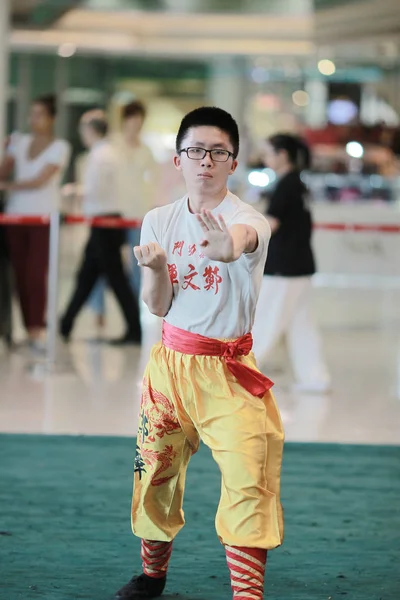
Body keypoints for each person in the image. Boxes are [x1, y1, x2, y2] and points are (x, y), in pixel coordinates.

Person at [113, 107, 284, 600]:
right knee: (155, 471)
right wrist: (155, 268)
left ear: (233, 162)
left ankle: (247, 594)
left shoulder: (246, 219)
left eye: (217, 152)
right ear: (178, 159)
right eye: (195, 151)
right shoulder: (158, 221)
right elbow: (159, 305)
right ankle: (151, 576)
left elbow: (244, 240)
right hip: (169, 369)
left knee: (249, 475)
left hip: (229, 372)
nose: (205, 162)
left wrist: (229, 247)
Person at [252, 133, 331, 393]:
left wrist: (245, 222)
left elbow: (271, 224)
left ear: (282, 154)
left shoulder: (287, 184)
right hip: (299, 265)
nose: (264, 158)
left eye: (268, 153)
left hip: (284, 267)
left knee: (265, 321)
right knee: (300, 325)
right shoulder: (296, 183)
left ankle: (243, 375)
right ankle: (314, 378)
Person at [59, 110, 141, 346]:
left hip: (105, 223)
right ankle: (65, 324)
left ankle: (134, 330)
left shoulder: (102, 155)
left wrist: (73, 191)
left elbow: (96, 190)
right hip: (103, 223)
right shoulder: (107, 153)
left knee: (115, 279)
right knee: (88, 276)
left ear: (91, 130)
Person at [0, 94, 71, 352]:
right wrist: (6, 149)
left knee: (34, 275)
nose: (34, 119)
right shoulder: (19, 142)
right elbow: (3, 171)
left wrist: (7, 185)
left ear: (51, 118)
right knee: (18, 274)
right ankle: (26, 330)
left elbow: (40, 180)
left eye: (40, 114)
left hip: (43, 217)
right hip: (14, 216)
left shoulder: (60, 146)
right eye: (32, 114)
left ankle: (37, 331)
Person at [87, 100, 158, 329]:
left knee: (138, 268)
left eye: (139, 121)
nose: (135, 125)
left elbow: (153, 181)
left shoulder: (145, 150)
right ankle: (99, 312)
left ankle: (135, 320)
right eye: (132, 120)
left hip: (138, 216)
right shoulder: (111, 146)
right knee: (101, 265)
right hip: (113, 214)